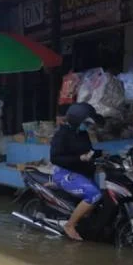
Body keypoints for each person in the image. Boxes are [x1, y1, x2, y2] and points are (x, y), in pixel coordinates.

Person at [50, 103, 101, 241]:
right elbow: (55, 158)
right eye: (86, 122)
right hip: (64, 173)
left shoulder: (82, 133)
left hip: (81, 172)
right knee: (94, 194)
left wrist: (98, 155)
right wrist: (79, 158)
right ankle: (70, 225)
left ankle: (82, 220)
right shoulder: (62, 134)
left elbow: (88, 151)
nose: (88, 125)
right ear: (77, 120)